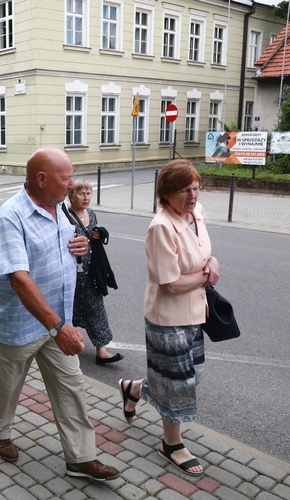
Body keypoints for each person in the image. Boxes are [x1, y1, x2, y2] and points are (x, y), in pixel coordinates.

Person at [0, 147, 120, 482]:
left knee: (71, 386)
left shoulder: (60, 207)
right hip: (21, 324)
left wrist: (81, 246)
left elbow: (65, 247)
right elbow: (18, 277)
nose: (72, 186)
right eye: (66, 178)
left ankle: (80, 458)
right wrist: (58, 326)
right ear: (42, 179)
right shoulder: (11, 215)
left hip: (57, 321)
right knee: (8, 386)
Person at [118, 159, 219, 477]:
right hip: (167, 316)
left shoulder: (197, 214)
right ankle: (171, 444)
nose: (193, 195)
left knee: (192, 375)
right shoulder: (161, 226)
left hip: (195, 312)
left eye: (196, 187)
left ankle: (134, 388)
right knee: (177, 385)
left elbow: (203, 253)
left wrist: (212, 261)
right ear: (166, 193)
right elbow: (170, 282)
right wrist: (206, 277)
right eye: (184, 190)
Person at [65, 179, 122, 365]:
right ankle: (66, 342)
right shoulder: (65, 215)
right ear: (71, 196)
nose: (86, 197)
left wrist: (99, 234)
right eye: (82, 193)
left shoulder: (91, 214)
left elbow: (93, 237)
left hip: (91, 272)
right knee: (68, 307)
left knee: (96, 307)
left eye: (88, 193)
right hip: (70, 272)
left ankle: (101, 351)